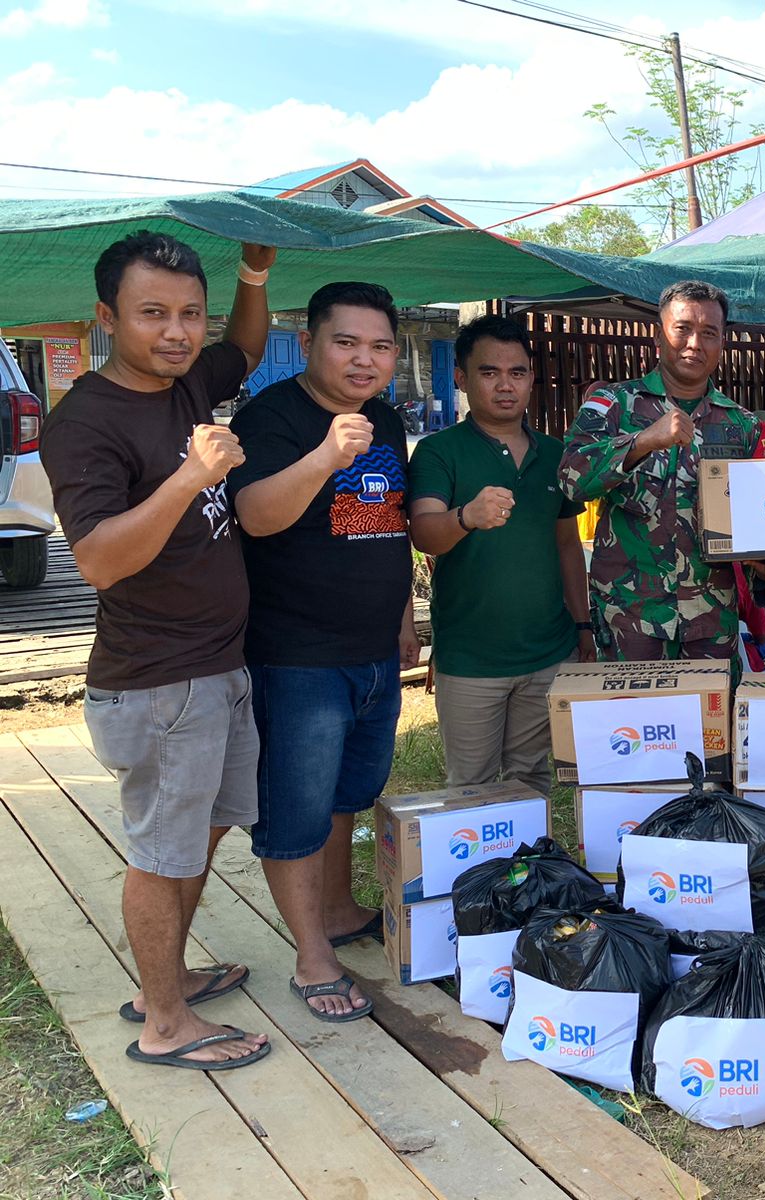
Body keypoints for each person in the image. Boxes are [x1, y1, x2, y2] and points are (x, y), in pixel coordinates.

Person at [39, 232, 274, 1070]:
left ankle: (161, 979)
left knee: (201, 832)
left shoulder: (186, 382)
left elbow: (244, 347)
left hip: (217, 667)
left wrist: (253, 272)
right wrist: (189, 478)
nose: (176, 333)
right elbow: (99, 559)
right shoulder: (82, 425)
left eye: (188, 314)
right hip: (158, 684)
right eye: (152, 315)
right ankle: (166, 1025)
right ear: (107, 318)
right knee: (160, 851)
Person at [230, 281, 419, 1023]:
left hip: (373, 649)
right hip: (296, 655)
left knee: (350, 793)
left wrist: (404, 615)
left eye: (378, 347)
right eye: (347, 342)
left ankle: (338, 911)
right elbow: (254, 516)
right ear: (308, 342)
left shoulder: (387, 418)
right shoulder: (271, 418)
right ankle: (312, 957)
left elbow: (387, 520)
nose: (363, 359)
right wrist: (324, 454)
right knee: (296, 811)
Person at [558, 280, 765, 661]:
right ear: (658, 337)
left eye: (709, 333)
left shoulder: (742, 425)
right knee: (632, 719)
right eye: (683, 329)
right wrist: (642, 441)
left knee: (710, 722)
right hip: (630, 618)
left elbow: (750, 521)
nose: (695, 343)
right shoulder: (614, 405)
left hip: (711, 621)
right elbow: (571, 480)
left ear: (721, 345)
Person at [408, 315, 591, 791]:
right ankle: (477, 870)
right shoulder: (438, 452)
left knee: (533, 779)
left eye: (517, 372)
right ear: (462, 380)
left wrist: (583, 625)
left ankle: (532, 868)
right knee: (471, 786)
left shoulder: (556, 454)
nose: (505, 385)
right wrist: (466, 516)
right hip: (471, 658)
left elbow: (568, 544)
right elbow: (424, 534)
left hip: (549, 651)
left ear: (532, 378)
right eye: (489, 373)